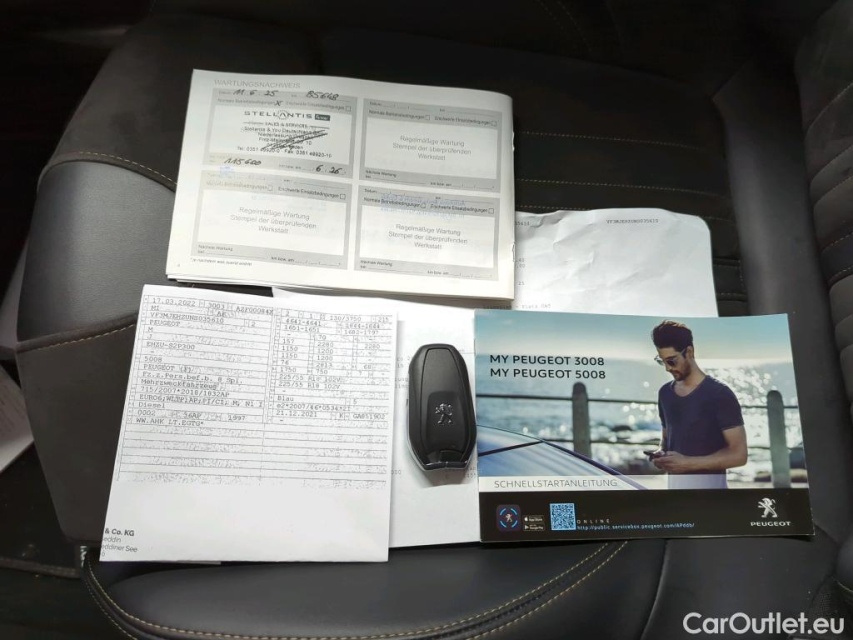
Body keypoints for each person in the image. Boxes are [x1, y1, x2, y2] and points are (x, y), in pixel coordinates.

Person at [649, 320, 747, 489]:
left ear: (689, 352)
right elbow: (666, 439)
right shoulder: (664, 393)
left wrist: (687, 464)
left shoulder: (720, 394)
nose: (667, 368)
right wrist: (661, 454)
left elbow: (739, 455)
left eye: (671, 361)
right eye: (662, 361)